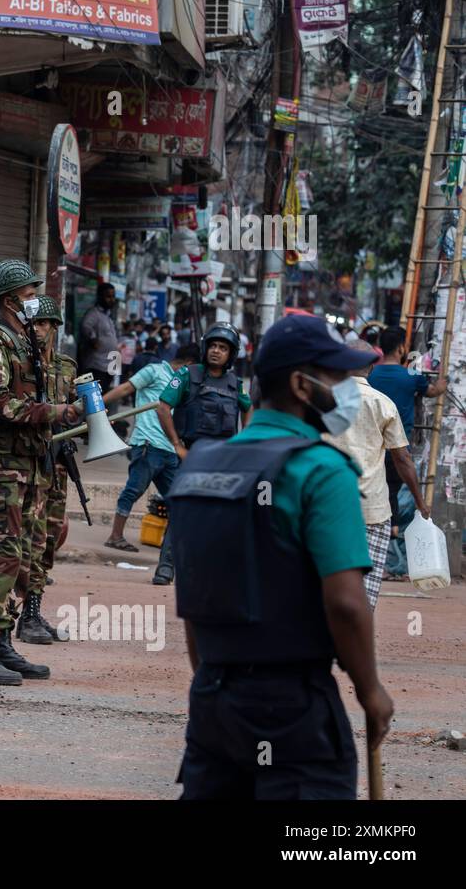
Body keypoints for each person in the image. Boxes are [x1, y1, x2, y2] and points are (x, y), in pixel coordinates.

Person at [168, 314, 393, 799]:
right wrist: (370, 691)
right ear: (300, 384)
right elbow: (347, 604)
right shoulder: (322, 469)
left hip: (212, 700)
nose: (346, 389)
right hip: (294, 708)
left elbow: (193, 598)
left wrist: (217, 681)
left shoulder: (200, 468)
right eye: (335, 376)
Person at [0, 260, 80, 686]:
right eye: (30, 294)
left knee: (20, 558)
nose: (35, 299)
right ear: (11, 300)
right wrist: (58, 411)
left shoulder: (22, 343)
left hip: (25, 466)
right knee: (3, 556)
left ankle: (0, 641)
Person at [325, 340, 430, 609]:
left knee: (322, 583)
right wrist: (420, 502)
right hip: (371, 509)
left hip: (326, 506)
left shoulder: (323, 400)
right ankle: (353, 643)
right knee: (364, 595)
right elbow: (402, 458)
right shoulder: (383, 404)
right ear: (371, 368)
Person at [152, 322, 251, 585]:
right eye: (214, 346)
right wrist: (177, 445)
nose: (217, 351)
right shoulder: (187, 374)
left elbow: (247, 408)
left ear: (232, 354)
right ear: (206, 348)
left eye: (224, 348)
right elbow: (163, 407)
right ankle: (166, 567)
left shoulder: (236, 383)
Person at [12, 295, 76, 645]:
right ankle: (16, 613)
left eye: (44, 324)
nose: (38, 330)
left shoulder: (66, 367)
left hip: (56, 466)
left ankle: (33, 613)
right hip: (27, 464)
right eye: (33, 324)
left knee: (47, 542)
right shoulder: (18, 363)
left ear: (53, 328)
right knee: (23, 544)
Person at [100, 342, 198, 552]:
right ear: (189, 363)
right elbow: (126, 388)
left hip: (170, 449)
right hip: (148, 443)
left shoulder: (182, 381)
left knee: (176, 497)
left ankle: (179, 544)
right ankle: (115, 536)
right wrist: (97, 405)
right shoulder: (154, 371)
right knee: (133, 490)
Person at [370, 326, 446, 521]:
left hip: (371, 448)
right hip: (397, 448)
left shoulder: (371, 374)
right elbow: (432, 391)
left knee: (382, 495)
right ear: (401, 349)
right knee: (390, 494)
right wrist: (442, 382)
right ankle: (391, 533)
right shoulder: (410, 375)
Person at [79, 282, 120, 392]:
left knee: (106, 396)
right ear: (100, 296)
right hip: (97, 365)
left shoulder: (108, 315)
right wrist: (93, 339)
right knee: (97, 397)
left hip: (110, 364)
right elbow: (85, 326)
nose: (112, 299)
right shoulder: (94, 313)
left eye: (113, 296)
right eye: (108, 296)